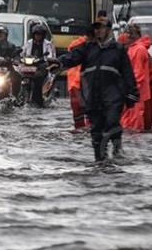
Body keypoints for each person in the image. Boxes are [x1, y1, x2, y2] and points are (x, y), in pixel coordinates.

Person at [52, 14, 139, 162]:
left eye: (101, 28)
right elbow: (73, 57)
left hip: (113, 96)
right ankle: (100, 162)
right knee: (96, 132)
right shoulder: (87, 48)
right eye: (95, 28)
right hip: (92, 96)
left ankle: (117, 149)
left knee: (111, 123)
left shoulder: (118, 49)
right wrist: (59, 63)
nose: (97, 31)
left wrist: (132, 92)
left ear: (109, 30)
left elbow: (127, 72)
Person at [21, 24, 56, 106]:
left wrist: (43, 59)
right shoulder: (28, 43)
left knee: (38, 79)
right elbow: (22, 53)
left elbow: (50, 56)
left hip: (41, 67)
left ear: (43, 35)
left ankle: (38, 99)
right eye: (36, 34)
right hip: (28, 66)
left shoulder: (48, 44)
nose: (38, 36)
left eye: (40, 34)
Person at [66, 33, 90, 130]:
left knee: (78, 117)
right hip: (81, 87)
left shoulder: (73, 56)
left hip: (75, 88)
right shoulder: (90, 52)